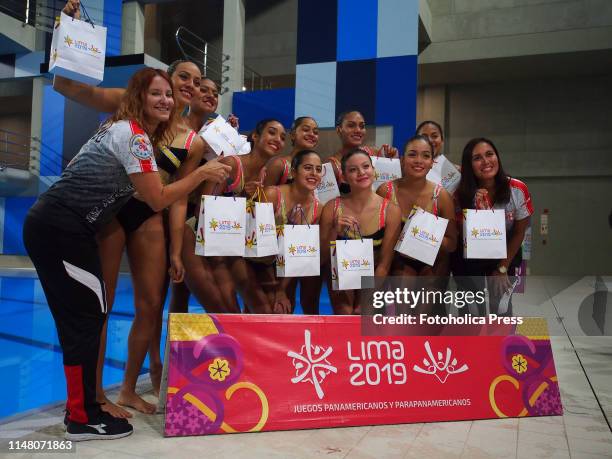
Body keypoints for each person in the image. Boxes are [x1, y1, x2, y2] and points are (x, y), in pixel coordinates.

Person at [23, 68, 230, 440]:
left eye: (170, 94)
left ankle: (86, 407)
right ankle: (85, 411)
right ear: (139, 96)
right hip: (64, 226)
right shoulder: (133, 133)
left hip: (69, 225)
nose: (167, 99)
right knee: (88, 317)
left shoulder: (134, 131)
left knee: (91, 313)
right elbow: (157, 196)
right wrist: (201, 176)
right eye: (158, 93)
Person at [56, 0, 210, 414]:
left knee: (150, 306)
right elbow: (73, 88)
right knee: (101, 303)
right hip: (110, 209)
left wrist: (177, 250)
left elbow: (176, 199)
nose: (188, 85)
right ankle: (94, 394)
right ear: (166, 78)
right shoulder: (129, 104)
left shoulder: (193, 143)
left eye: (195, 81)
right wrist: (69, 34)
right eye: (183, 76)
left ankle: (127, 388)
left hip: (151, 215)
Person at [184, 119, 286, 313]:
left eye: (282, 137)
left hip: (227, 246)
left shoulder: (264, 174)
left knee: (254, 310)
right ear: (255, 136)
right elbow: (201, 212)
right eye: (272, 132)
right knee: (222, 308)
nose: (278, 139)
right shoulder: (231, 164)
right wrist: (241, 197)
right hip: (197, 239)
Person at [454, 138, 533, 316]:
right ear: (469, 165)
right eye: (477, 158)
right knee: (472, 312)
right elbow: (457, 234)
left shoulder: (517, 189)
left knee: (501, 308)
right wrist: (476, 211)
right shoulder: (458, 193)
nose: (486, 161)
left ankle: (500, 341)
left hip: (505, 254)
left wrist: (502, 268)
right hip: (468, 258)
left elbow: (520, 232)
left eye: (489, 154)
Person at [320, 149, 401, 315]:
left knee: (366, 317)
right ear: (344, 176)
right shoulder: (332, 207)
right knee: (345, 313)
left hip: (375, 277)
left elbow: (385, 265)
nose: (361, 173)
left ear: (374, 170)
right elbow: (321, 258)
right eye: (353, 169)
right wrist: (335, 231)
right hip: (342, 275)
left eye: (366, 167)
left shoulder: (390, 211)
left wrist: (366, 297)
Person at [376, 135, 457, 276]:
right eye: (412, 155)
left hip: (432, 262)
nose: (419, 161)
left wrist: (422, 237)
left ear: (432, 163)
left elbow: (452, 244)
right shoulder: (386, 191)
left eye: (425, 156)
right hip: (395, 261)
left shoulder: (441, 196)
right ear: (402, 160)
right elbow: (375, 237)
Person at [263, 150, 323, 314]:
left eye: (318, 170)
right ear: (293, 171)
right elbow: (256, 247)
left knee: (285, 306)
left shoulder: (319, 209)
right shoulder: (272, 195)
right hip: (260, 265)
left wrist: (281, 288)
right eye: (308, 168)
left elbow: (299, 255)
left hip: (288, 267)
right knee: (267, 308)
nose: (314, 174)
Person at [326, 111, 399, 194]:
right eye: (351, 125)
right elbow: (327, 201)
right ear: (339, 130)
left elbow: (393, 189)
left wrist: (393, 162)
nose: (358, 130)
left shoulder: (375, 153)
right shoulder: (332, 166)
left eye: (362, 126)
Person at [263, 116, 319, 186]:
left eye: (315, 132)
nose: (312, 134)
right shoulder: (279, 165)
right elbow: (264, 195)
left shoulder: (318, 169)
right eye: (306, 130)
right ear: (293, 135)